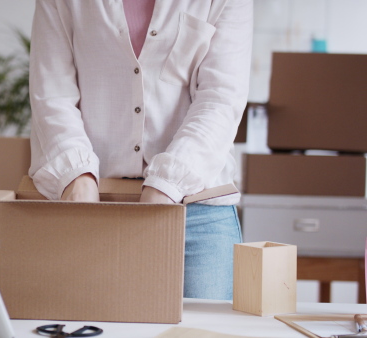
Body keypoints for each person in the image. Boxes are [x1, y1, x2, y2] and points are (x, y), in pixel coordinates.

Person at [28, 0, 252, 300]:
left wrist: (166, 185)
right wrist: (77, 180)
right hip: (91, 206)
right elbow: (52, 94)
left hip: (196, 213)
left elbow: (221, 98)